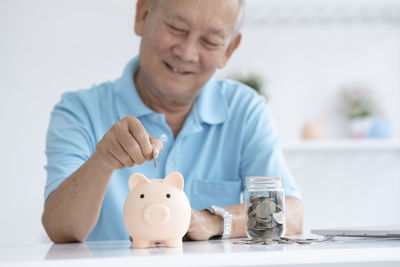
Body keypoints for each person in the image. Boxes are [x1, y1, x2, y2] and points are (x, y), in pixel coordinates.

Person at [42, 0, 304, 243]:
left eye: (210, 41)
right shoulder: (80, 111)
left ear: (229, 49)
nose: (187, 53)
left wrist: (215, 221)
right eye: (176, 28)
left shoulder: (245, 110)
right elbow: (60, 229)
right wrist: (102, 161)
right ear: (142, 15)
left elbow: (291, 213)